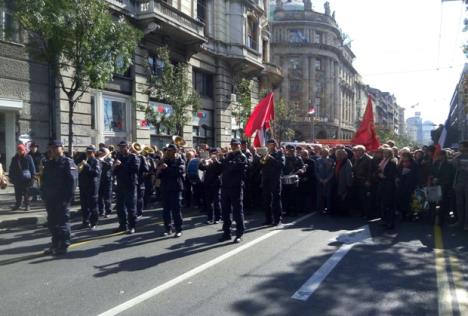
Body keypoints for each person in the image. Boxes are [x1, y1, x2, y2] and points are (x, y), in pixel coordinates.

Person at [41, 140, 77, 255]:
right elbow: (44, 181)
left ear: (62, 148)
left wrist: (67, 199)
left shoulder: (68, 162)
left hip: (62, 199)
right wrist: (44, 195)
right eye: (51, 147)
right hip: (51, 199)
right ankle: (55, 243)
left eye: (56, 147)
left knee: (62, 222)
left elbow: (72, 182)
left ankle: (64, 244)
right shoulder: (49, 163)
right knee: (52, 223)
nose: (53, 149)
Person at [218, 139, 248, 243]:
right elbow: (221, 167)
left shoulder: (242, 156)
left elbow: (233, 167)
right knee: (225, 212)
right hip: (225, 187)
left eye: (236, 145)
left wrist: (226, 162)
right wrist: (216, 161)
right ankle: (227, 233)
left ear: (240, 145)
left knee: (237, 212)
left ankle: (239, 234)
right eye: (232, 145)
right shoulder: (229, 156)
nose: (234, 146)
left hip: (236, 187)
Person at [157, 144, 185, 237]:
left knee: (176, 210)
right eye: (168, 150)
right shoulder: (165, 160)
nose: (169, 152)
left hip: (175, 188)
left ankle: (178, 229)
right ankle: (168, 228)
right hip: (165, 188)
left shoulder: (180, 160)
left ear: (175, 151)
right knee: (166, 211)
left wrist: (167, 168)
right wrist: (160, 169)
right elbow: (158, 175)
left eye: (171, 150)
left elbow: (179, 172)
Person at [113, 141, 140, 234]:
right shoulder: (119, 157)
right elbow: (114, 172)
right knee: (120, 207)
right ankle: (122, 225)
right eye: (120, 147)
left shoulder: (133, 157)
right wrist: (115, 166)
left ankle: (132, 226)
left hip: (130, 184)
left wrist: (121, 165)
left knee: (131, 207)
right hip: (120, 184)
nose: (121, 148)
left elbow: (135, 169)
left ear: (128, 147)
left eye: (123, 147)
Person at [260, 139, 285, 226]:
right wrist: (263, 158)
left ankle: (277, 219)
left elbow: (281, 165)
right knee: (267, 200)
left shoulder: (279, 153)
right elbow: (261, 164)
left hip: (275, 179)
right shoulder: (266, 154)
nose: (270, 145)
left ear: (275, 145)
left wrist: (271, 158)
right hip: (266, 179)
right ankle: (268, 219)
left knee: (276, 199)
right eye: (268, 144)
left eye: (271, 144)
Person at [79, 146, 101, 229]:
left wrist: (87, 165)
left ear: (94, 153)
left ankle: (93, 223)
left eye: (90, 152)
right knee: (84, 205)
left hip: (92, 186)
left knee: (93, 206)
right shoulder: (84, 160)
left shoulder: (96, 161)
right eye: (87, 152)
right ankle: (85, 222)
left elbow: (96, 173)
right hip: (84, 185)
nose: (88, 154)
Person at [198, 148, 222, 224]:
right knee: (209, 202)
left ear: (217, 153)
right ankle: (210, 218)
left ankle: (218, 218)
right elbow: (201, 168)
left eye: (214, 153)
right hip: (207, 183)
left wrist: (215, 161)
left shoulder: (220, 161)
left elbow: (220, 170)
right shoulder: (207, 161)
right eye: (212, 153)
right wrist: (202, 162)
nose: (213, 155)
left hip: (216, 184)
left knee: (217, 202)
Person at [9, 144, 36, 211]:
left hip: (27, 179)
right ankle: (18, 204)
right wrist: (11, 177)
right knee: (17, 193)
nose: (19, 151)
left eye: (21, 150)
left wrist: (32, 178)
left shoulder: (28, 157)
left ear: (24, 150)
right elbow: (11, 168)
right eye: (18, 150)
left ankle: (27, 205)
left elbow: (32, 168)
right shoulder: (14, 158)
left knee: (26, 193)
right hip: (17, 179)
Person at [376, 147, 398, 229]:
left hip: (389, 186)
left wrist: (384, 176)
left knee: (389, 204)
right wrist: (379, 174)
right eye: (384, 152)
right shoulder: (383, 161)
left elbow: (393, 174)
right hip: (383, 184)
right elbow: (379, 170)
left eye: (387, 153)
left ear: (390, 153)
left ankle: (391, 222)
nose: (385, 154)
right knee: (383, 204)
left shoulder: (392, 162)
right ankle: (384, 220)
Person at [282, 144, 305, 217]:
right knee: (286, 196)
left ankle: (295, 211)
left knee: (294, 196)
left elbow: (303, 168)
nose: (290, 152)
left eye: (292, 150)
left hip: (294, 179)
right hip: (285, 179)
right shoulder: (284, 158)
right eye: (288, 150)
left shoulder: (298, 158)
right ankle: (287, 211)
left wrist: (301, 171)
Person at [330, 149, 353, 216]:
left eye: (341, 154)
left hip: (343, 183)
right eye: (338, 154)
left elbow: (349, 174)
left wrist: (349, 184)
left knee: (343, 197)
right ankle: (337, 211)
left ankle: (343, 212)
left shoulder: (347, 162)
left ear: (344, 155)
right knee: (337, 197)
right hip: (336, 182)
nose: (339, 156)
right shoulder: (336, 161)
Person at [351, 145, 373, 218]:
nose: (357, 152)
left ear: (363, 151)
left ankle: (366, 213)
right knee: (359, 197)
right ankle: (361, 212)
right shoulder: (356, 158)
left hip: (364, 180)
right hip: (357, 180)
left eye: (359, 150)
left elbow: (370, 171)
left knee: (365, 198)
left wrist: (368, 181)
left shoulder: (368, 159)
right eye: (356, 150)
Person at [452, 141, 468, 230]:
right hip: (459, 183)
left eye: (461, 146)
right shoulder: (458, 156)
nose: (459, 148)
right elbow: (454, 165)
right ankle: (460, 222)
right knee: (459, 204)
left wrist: (462, 167)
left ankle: (466, 223)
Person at [98, 148, 114, 218]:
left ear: (106, 153)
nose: (100, 153)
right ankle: (101, 211)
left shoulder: (110, 159)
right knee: (99, 197)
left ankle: (108, 211)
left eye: (102, 152)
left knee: (107, 197)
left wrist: (103, 161)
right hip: (99, 180)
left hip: (107, 180)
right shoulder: (98, 159)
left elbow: (110, 166)